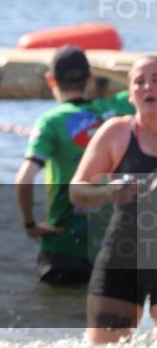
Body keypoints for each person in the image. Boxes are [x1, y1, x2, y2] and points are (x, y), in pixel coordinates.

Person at [15, 45, 135, 285]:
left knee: (56, 312)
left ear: (51, 80)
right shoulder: (113, 111)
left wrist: (30, 224)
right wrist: (104, 69)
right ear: (90, 77)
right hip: (109, 244)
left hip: (63, 243)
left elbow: (24, 180)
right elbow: (147, 79)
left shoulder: (51, 121)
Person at [70, 56, 157, 344]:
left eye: (156, 80)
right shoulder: (116, 133)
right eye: (139, 82)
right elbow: (77, 189)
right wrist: (109, 192)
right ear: (131, 94)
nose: (148, 87)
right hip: (122, 256)